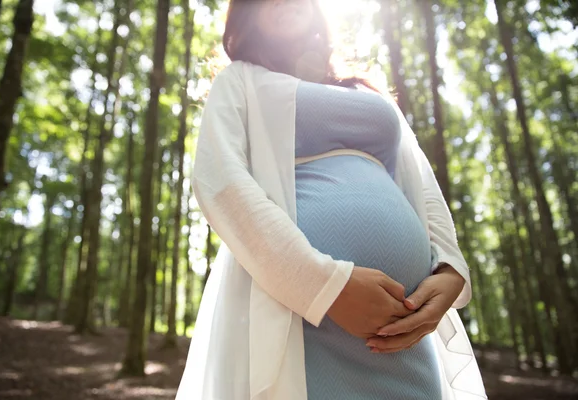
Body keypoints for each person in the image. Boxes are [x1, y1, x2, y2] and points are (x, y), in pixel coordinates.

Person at [176, 1, 487, 399]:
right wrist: (324, 286)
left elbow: (421, 182)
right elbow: (219, 180)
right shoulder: (241, 80)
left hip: (404, 331)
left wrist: (449, 267)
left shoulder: (367, 91)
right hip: (298, 317)